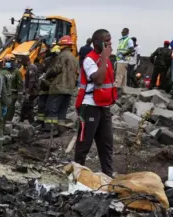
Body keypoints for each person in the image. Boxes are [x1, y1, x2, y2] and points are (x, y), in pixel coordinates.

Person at [74, 29, 116, 178]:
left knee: (106, 144)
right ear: (97, 42)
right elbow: (98, 79)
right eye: (106, 42)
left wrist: (105, 58)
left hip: (103, 106)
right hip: (90, 105)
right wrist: (104, 58)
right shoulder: (89, 59)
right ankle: (76, 175)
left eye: (110, 41)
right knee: (84, 143)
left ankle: (108, 177)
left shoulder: (106, 60)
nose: (110, 44)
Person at [44, 35, 79, 133]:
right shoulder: (74, 58)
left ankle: (50, 129)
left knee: (52, 108)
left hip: (58, 86)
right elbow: (77, 73)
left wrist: (47, 74)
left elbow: (55, 69)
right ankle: (60, 129)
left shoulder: (61, 56)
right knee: (63, 110)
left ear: (62, 45)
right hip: (69, 88)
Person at [37, 45, 60, 125]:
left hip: (54, 88)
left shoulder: (60, 62)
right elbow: (40, 72)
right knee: (42, 105)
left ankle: (47, 124)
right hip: (45, 87)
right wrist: (44, 80)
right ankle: (41, 122)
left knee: (50, 106)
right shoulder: (46, 61)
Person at [3, 54, 23, 127]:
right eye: (7, 61)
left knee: (10, 112)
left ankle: (7, 126)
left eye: (9, 61)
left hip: (13, 95)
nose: (8, 63)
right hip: (5, 95)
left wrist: (19, 99)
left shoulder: (17, 72)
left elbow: (20, 86)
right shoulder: (4, 71)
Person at [19, 55, 39, 124]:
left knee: (28, 106)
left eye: (22, 62)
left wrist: (28, 93)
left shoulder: (31, 68)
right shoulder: (31, 67)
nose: (22, 64)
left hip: (32, 91)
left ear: (26, 61)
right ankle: (22, 121)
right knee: (26, 106)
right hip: (31, 91)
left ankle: (31, 122)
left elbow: (31, 81)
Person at [114, 28, 134, 94]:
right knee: (123, 77)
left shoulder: (129, 40)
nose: (123, 33)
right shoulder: (121, 40)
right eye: (122, 32)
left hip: (123, 60)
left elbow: (132, 49)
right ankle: (122, 90)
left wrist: (123, 54)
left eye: (125, 32)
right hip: (120, 60)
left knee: (119, 76)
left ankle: (116, 91)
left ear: (128, 32)